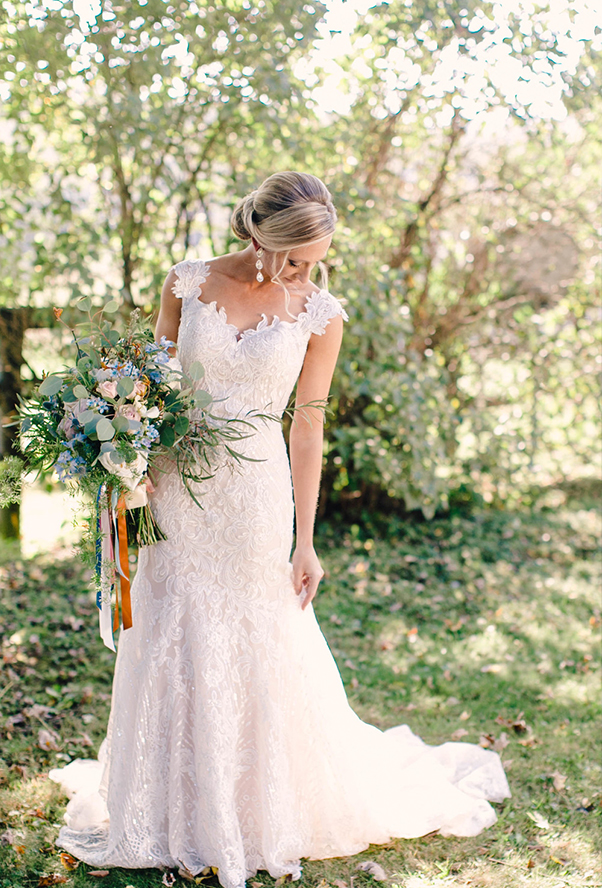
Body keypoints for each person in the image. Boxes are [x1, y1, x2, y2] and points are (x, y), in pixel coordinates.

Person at [49, 171, 510, 888]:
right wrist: (123, 450)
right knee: (171, 625)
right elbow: (145, 382)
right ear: (255, 232)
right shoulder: (188, 282)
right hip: (175, 483)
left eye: (314, 260)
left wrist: (307, 539)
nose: (302, 272)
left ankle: (251, 809)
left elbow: (309, 420)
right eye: (292, 258)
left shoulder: (321, 311)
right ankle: (169, 807)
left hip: (255, 495)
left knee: (251, 632)